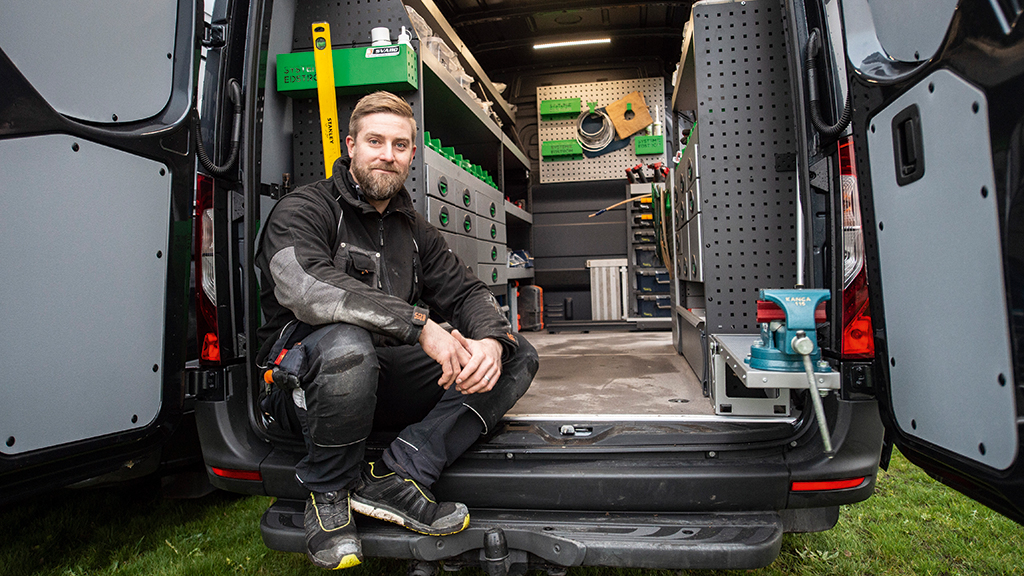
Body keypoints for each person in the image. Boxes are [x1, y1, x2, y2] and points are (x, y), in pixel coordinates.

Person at [255, 91, 538, 570]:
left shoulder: (414, 228)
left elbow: (466, 292)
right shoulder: (306, 208)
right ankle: (328, 497)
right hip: (304, 384)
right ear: (351, 145)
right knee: (348, 346)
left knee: (514, 354)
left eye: (401, 145)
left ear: (411, 155)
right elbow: (307, 285)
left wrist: (489, 339)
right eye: (375, 141)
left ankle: (399, 475)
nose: (388, 154)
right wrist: (419, 325)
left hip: (379, 375)